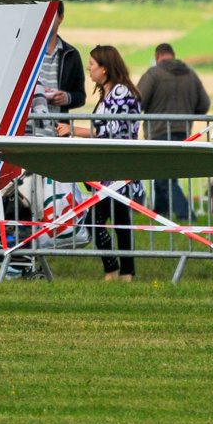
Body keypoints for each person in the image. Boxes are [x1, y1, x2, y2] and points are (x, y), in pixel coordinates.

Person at [56, 45, 143, 281]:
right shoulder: (111, 92)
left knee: (99, 220)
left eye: (92, 64)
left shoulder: (120, 93)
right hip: (112, 168)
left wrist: (72, 129)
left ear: (104, 69)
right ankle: (123, 272)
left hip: (118, 168)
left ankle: (116, 271)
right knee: (116, 220)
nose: (88, 68)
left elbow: (110, 130)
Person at [138, 43, 209, 221]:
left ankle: (186, 216)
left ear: (157, 56)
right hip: (184, 131)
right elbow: (204, 104)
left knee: (163, 178)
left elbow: (138, 102)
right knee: (165, 174)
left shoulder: (153, 74)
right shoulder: (191, 74)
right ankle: (160, 214)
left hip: (159, 131)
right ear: (173, 55)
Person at [40, 2, 87, 128]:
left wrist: (67, 98)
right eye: (43, 14)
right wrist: (37, 94)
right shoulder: (27, 51)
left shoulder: (71, 54)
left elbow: (81, 96)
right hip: (29, 130)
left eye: (51, 14)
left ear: (61, 17)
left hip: (58, 131)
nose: (46, 19)